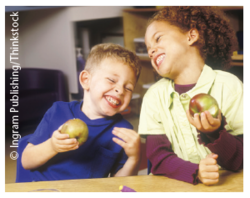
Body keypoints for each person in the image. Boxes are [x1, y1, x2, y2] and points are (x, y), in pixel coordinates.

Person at [139, 6, 243, 186]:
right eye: (148, 48)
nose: (151, 51)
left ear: (191, 36)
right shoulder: (153, 96)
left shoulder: (230, 86)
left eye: (158, 38)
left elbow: (241, 159)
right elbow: (158, 157)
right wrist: (196, 173)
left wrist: (214, 133)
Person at [21, 43, 142, 181]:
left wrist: (134, 158)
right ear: (86, 80)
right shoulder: (58, 111)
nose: (120, 90)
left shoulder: (123, 131)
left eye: (128, 88)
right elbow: (26, 161)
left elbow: (119, 184)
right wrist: (53, 146)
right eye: (111, 80)